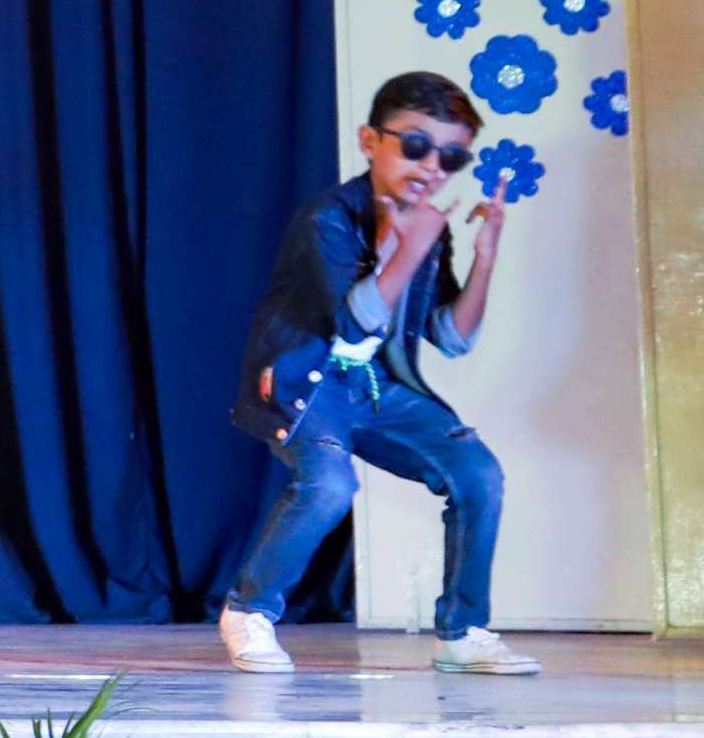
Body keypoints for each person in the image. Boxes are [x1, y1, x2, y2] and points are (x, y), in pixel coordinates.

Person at [216, 70, 535, 676]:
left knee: (478, 473)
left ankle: (462, 633)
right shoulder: (330, 217)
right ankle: (248, 609)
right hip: (307, 383)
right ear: (370, 141)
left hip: (377, 386)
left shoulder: (428, 227)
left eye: (451, 157)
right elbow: (354, 324)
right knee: (330, 486)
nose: (431, 166)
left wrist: (485, 257)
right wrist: (411, 245)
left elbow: (451, 336)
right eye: (415, 145)